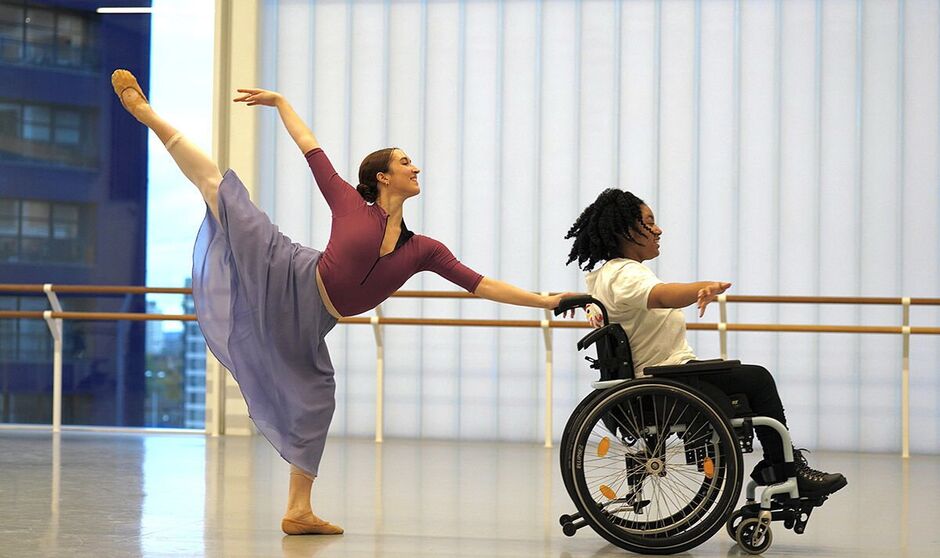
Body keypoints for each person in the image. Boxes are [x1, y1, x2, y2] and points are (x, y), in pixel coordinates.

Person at [111, 69, 577, 535]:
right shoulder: (350, 202)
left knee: (318, 399)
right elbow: (310, 147)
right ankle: (147, 113)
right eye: (406, 162)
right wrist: (280, 102)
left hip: (313, 322)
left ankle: (298, 510)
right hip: (287, 270)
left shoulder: (423, 250)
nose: (416, 169)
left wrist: (543, 301)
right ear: (383, 176)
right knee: (219, 189)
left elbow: (481, 284)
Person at [564, 188, 847, 498]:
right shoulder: (627, 274)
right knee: (757, 379)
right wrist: (702, 287)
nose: (659, 230)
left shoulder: (609, 274)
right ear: (625, 230)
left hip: (660, 379)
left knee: (746, 380)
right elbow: (662, 295)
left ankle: (777, 467)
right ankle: (784, 471)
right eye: (649, 222)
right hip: (663, 381)